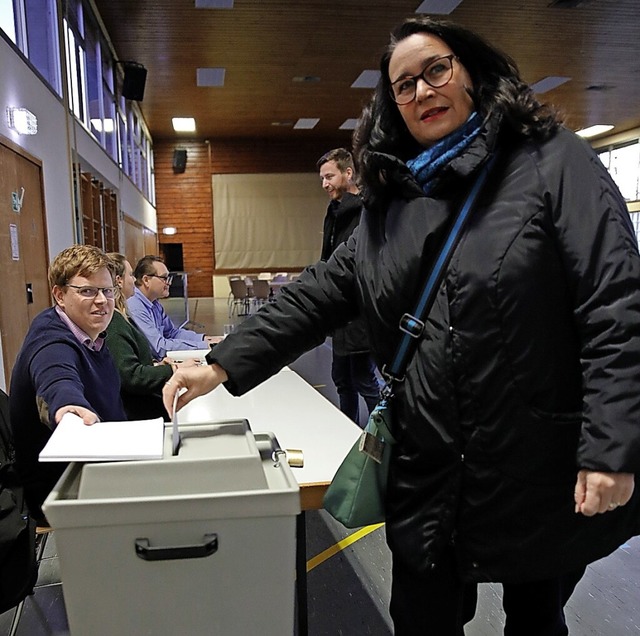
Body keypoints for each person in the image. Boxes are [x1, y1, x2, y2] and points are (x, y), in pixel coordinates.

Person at [162, 16, 640, 636]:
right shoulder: (393, 198)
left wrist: (612, 446)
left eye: (436, 70)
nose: (422, 91)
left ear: (471, 72)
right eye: (403, 85)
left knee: (535, 615)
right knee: (421, 617)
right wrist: (222, 362)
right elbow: (323, 291)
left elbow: (614, 305)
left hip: (533, 459)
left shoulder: (553, 163)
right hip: (427, 459)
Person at [9, 245, 127, 521]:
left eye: (108, 291)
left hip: (101, 462)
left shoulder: (91, 332)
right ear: (60, 295)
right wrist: (68, 405)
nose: (102, 301)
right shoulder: (51, 339)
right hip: (64, 487)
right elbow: (56, 376)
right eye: (87, 291)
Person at [317, 148, 380, 425]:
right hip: (339, 314)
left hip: (360, 315)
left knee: (364, 378)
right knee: (342, 378)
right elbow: (327, 258)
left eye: (329, 176)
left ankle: (385, 435)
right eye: (322, 178)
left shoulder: (367, 210)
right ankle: (349, 430)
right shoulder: (333, 212)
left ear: (348, 173)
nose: (325, 184)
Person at [105, 253, 201, 421]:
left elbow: (168, 335)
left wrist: (156, 366)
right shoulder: (116, 320)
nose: (134, 281)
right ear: (119, 280)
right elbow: (132, 377)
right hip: (139, 409)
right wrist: (174, 369)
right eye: (131, 275)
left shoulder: (124, 314)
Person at [127, 255, 217, 359]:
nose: (169, 283)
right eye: (164, 278)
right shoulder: (135, 306)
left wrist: (204, 339)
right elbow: (159, 348)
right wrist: (204, 346)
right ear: (146, 280)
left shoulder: (155, 304)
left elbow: (171, 333)